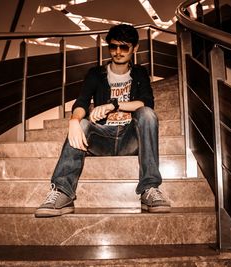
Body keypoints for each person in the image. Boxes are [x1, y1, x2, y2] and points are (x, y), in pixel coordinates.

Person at [35, 24, 171, 218]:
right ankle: (63, 192)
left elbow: (145, 102)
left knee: (147, 114)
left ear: (135, 48)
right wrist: (74, 120)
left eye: (124, 47)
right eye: (113, 47)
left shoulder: (140, 73)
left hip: (129, 140)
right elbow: (81, 101)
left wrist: (112, 105)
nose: (118, 52)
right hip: (102, 139)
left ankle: (149, 188)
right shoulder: (96, 74)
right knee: (81, 123)